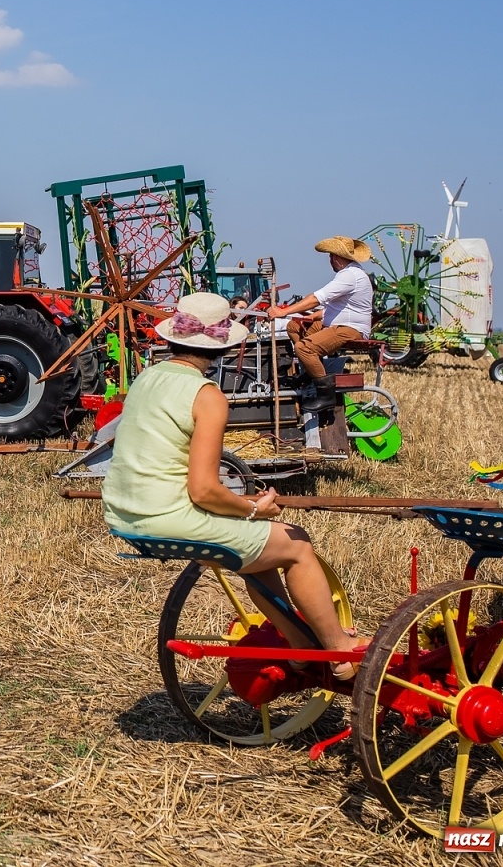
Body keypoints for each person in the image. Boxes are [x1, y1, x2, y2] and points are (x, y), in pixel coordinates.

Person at [103, 292, 369, 679]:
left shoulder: (148, 378)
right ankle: (339, 651)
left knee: (259, 554)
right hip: (170, 518)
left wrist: (247, 509)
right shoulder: (206, 395)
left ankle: (299, 646)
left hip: (125, 514)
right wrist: (253, 508)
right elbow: (204, 491)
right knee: (296, 542)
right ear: (223, 345)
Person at [270, 236, 374, 412]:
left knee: (304, 348)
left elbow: (317, 298)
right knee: (293, 327)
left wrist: (283, 311)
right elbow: (340, 306)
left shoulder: (349, 276)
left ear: (336, 257)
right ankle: (311, 372)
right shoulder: (351, 273)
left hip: (350, 328)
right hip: (339, 323)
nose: (330, 260)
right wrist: (315, 316)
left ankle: (326, 396)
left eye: (330, 256)